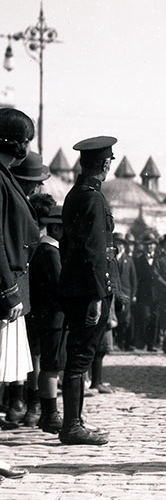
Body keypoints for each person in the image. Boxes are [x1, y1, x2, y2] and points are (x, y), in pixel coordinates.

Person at [58, 135, 119, 445]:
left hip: (75, 288)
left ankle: (76, 420)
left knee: (78, 356)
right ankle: (72, 426)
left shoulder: (74, 195)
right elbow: (94, 252)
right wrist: (97, 295)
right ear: (106, 164)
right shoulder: (93, 198)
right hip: (88, 292)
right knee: (80, 359)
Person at [0, 107, 41, 477]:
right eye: (25, 140)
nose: (27, 146)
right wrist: (9, 290)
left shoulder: (4, 176)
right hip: (3, 290)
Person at [27, 203, 66, 433]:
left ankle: (45, 412)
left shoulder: (40, 250)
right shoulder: (52, 253)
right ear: (57, 230)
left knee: (43, 363)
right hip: (53, 318)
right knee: (52, 366)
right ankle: (50, 414)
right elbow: (59, 286)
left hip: (41, 316)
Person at [133, 233, 158, 351]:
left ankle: (151, 345)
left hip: (157, 295)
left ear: (155, 246)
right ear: (144, 246)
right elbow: (136, 278)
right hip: (143, 295)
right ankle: (141, 342)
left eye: (152, 245)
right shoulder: (138, 260)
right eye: (147, 245)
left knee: (154, 318)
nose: (149, 247)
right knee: (145, 317)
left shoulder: (159, 259)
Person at [112, 232, 137, 351]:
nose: (119, 246)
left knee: (125, 320)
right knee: (113, 318)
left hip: (126, 293)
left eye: (121, 244)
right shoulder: (110, 258)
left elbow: (134, 279)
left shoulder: (129, 259)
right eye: (117, 244)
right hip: (113, 293)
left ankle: (121, 341)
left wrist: (134, 294)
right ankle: (114, 342)